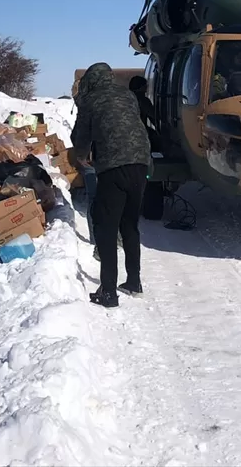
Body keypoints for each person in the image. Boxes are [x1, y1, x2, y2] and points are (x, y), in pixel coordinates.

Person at [71, 61, 152, 308]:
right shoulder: (127, 94)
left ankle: (108, 292)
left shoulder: (91, 100)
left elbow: (80, 138)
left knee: (106, 228)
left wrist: (82, 156)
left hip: (114, 167)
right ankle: (134, 282)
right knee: (129, 224)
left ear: (90, 82)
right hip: (141, 164)